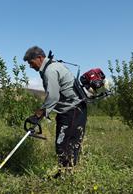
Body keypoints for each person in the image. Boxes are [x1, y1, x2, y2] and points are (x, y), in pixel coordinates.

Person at [23, 46, 87, 178]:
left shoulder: (50, 70)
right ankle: (66, 174)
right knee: (68, 144)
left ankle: (65, 176)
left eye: (31, 62)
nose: (30, 66)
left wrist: (38, 114)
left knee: (64, 145)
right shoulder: (51, 66)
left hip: (73, 110)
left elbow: (53, 97)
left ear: (40, 58)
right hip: (70, 110)